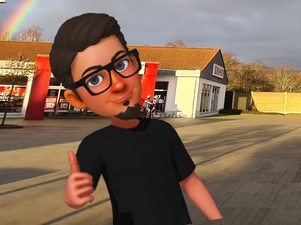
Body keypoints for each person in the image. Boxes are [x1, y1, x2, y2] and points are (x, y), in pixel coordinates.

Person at [51, 13, 221, 223]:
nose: (119, 84)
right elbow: (82, 188)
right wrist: (72, 197)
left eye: (121, 65)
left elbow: (190, 182)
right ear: (76, 99)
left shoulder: (164, 132)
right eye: (94, 79)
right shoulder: (94, 145)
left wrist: (217, 219)